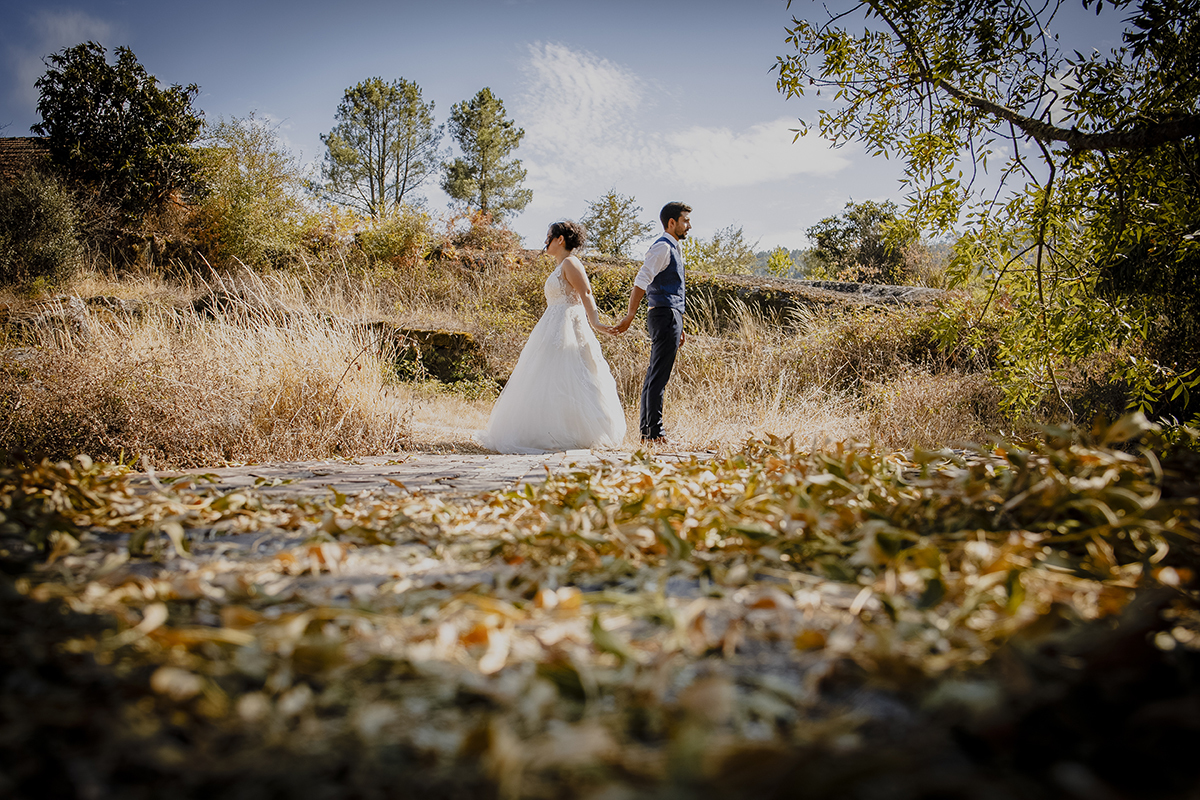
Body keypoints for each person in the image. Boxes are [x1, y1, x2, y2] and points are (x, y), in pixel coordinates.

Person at [476, 220, 626, 454]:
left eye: (548, 236)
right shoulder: (559, 266)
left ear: (560, 239)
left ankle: (579, 432)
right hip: (551, 325)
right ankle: (547, 431)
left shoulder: (570, 262)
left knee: (572, 375)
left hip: (568, 325)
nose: (545, 241)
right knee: (546, 378)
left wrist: (596, 322)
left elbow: (585, 292)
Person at [614, 202, 691, 444]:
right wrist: (629, 316)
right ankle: (654, 434)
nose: (689, 225)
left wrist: (680, 324)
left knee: (655, 374)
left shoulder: (673, 248)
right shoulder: (662, 247)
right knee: (658, 376)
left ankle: (648, 433)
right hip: (664, 314)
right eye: (685, 220)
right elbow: (641, 280)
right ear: (672, 222)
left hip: (670, 315)